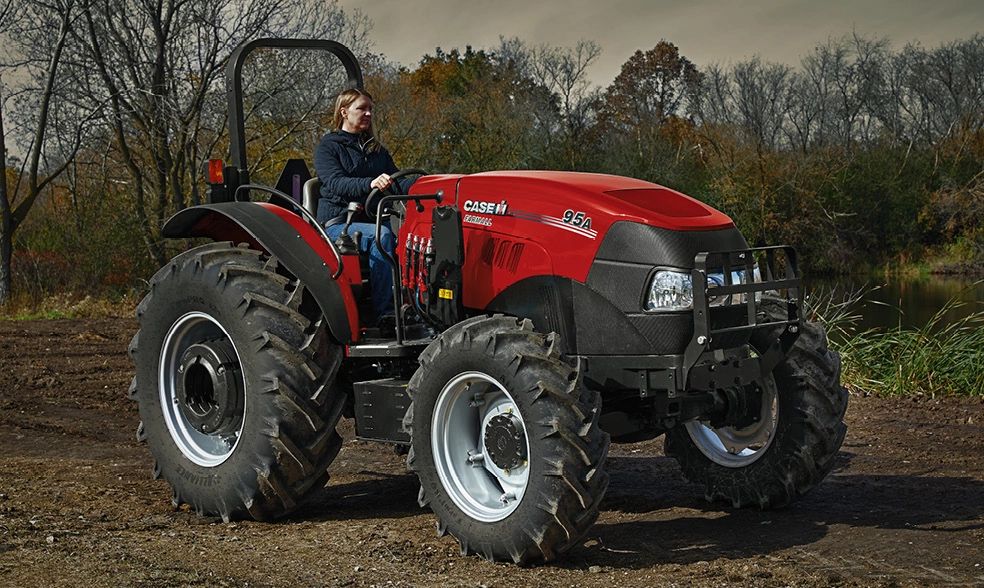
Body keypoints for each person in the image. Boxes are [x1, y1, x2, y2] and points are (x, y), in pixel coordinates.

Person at [313, 88, 411, 321]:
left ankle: (417, 306)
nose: (368, 114)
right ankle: (386, 313)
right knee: (382, 236)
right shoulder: (328, 147)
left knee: (414, 236)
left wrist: (428, 185)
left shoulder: (376, 150)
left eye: (370, 109)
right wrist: (371, 183)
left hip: (371, 220)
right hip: (338, 224)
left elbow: (397, 183)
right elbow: (336, 183)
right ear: (344, 112)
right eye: (362, 109)